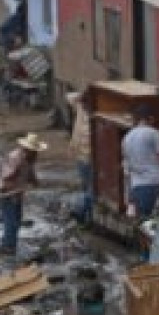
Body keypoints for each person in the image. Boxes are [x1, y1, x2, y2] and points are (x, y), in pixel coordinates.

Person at [0, 133, 47, 256]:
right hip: (8, 195)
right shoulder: (15, 158)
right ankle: (8, 248)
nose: (36, 154)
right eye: (34, 151)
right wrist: (13, 184)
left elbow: (30, 173)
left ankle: (9, 245)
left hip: (17, 195)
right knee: (11, 222)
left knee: (16, 222)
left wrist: (34, 181)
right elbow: (6, 176)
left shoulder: (28, 160)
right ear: (27, 149)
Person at [121, 103, 159, 219]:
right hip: (156, 184)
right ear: (150, 118)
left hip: (138, 187)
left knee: (145, 222)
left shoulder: (127, 138)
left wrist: (129, 198)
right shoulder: (153, 133)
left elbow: (127, 169)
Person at [67, 91, 93, 224]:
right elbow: (69, 97)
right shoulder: (80, 109)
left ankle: (81, 211)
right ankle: (85, 214)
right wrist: (83, 95)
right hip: (80, 155)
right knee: (86, 187)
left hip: (93, 159)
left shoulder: (95, 115)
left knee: (91, 189)